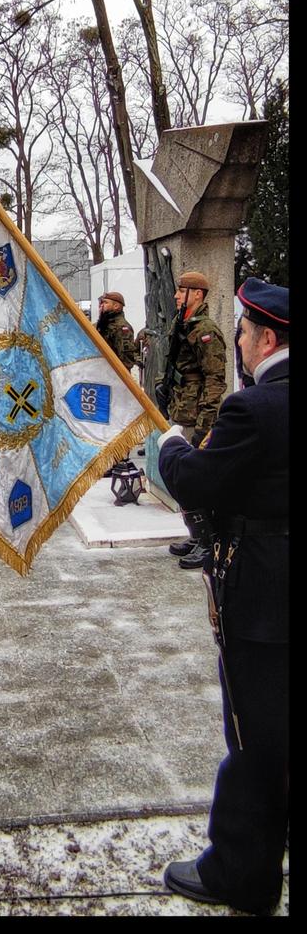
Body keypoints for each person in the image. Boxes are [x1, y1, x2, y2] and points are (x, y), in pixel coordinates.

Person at [157, 277, 288, 916]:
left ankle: (241, 873)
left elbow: (197, 484)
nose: (238, 341)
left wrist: (171, 446)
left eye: (243, 332)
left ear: (264, 338)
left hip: (265, 600)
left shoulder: (255, 409)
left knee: (256, 735)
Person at [160, 271, 227, 570]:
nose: (176, 295)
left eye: (182, 291)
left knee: (194, 481)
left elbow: (215, 380)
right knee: (180, 478)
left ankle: (207, 540)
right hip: (182, 406)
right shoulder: (182, 323)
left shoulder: (207, 331)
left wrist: (205, 423)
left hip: (197, 412)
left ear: (197, 294)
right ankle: (195, 534)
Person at [95, 292, 137, 371]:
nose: (101, 305)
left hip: (114, 375)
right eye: (101, 303)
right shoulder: (102, 324)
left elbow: (126, 359)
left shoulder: (121, 328)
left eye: (105, 302)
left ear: (116, 306)